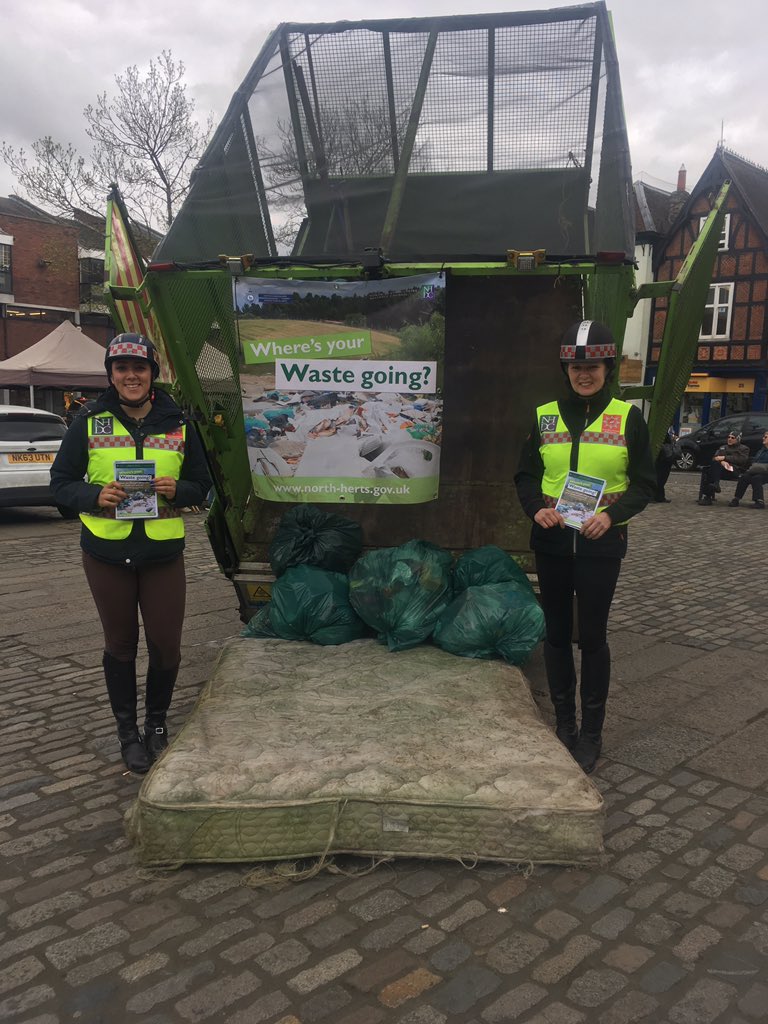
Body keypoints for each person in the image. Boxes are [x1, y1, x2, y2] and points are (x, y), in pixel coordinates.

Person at [51, 334, 212, 775]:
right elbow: (60, 482)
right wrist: (93, 495)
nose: (130, 376)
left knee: (166, 644)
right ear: (111, 375)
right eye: (121, 368)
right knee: (121, 645)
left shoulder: (178, 422)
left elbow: (203, 482)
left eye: (138, 368)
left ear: (152, 374)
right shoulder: (90, 420)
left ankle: (156, 724)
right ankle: (128, 733)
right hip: (106, 551)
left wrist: (181, 490)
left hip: (161, 551)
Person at [515, 321, 655, 774]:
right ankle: (565, 726)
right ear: (566, 370)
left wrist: (611, 516)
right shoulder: (544, 415)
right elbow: (525, 475)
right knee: (556, 636)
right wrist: (536, 507)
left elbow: (644, 485)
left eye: (592, 366)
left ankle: (592, 732)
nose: (584, 374)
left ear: (607, 367)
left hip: (601, 545)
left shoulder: (628, 417)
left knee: (591, 638)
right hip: (553, 541)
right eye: (576, 367)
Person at [697, 430, 750, 505]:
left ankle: (712, 489)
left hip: (734, 470)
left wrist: (724, 458)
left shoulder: (744, 449)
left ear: (738, 439)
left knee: (712, 471)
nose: (730, 439)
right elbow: (715, 458)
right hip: (720, 470)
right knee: (710, 469)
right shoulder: (723, 447)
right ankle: (709, 494)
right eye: (728, 437)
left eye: (732, 437)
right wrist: (722, 462)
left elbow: (741, 460)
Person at [729, 430, 768, 508]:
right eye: (764, 436)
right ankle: (736, 498)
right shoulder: (762, 450)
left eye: (766, 437)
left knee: (757, 478)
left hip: (766, 472)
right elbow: (755, 460)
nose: (763, 438)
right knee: (744, 477)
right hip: (757, 470)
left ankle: (759, 501)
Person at [653, 428, 678, 502]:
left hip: (664, 458)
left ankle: (660, 496)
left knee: (661, 478)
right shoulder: (661, 431)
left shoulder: (667, 430)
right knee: (660, 478)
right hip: (662, 457)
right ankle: (656, 496)